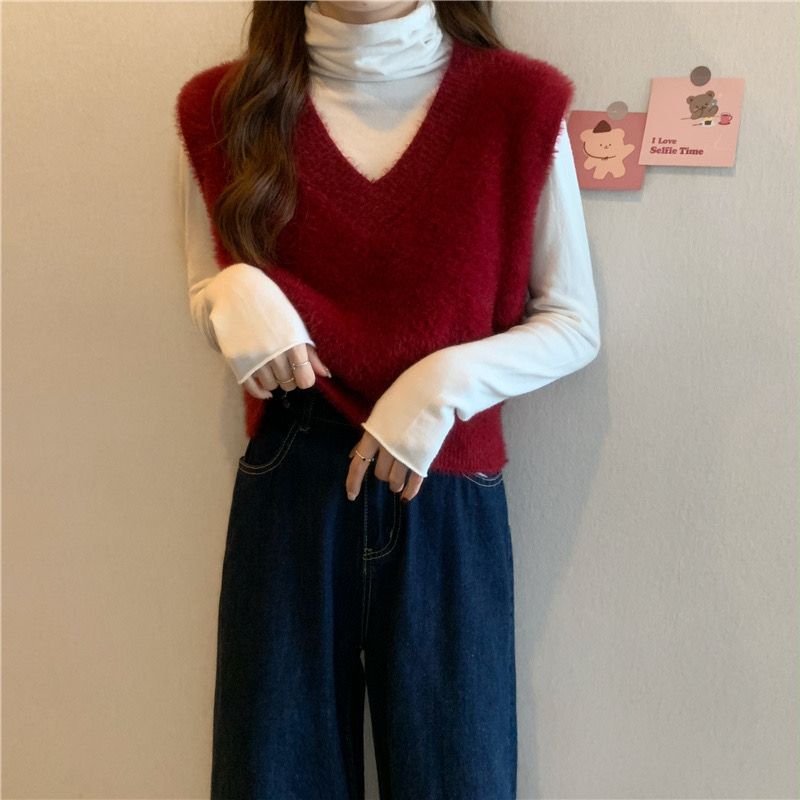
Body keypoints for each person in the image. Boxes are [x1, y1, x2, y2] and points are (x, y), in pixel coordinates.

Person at [175, 1, 600, 797]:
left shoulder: (517, 103)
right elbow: (205, 287)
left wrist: (442, 385)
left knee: (459, 779)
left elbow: (573, 323)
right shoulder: (225, 111)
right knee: (273, 778)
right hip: (292, 487)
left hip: (447, 495)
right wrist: (229, 291)